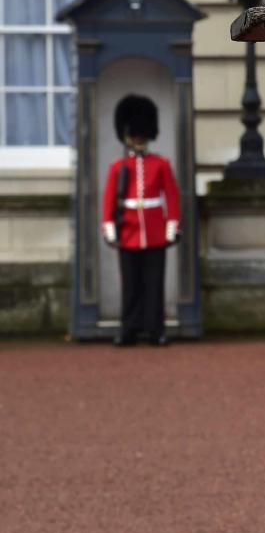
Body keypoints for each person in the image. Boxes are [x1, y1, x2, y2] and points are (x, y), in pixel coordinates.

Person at [101, 95, 180, 347]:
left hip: (156, 230)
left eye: (142, 134)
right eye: (135, 134)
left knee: (154, 283)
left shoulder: (161, 164)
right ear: (127, 136)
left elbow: (172, 196)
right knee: (131, 285)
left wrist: (172, 225)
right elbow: (109, 199)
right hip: (128, 231)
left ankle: (155, 329)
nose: (138, 138)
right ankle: (130, 328)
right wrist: (109, 226)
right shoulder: (118, 167)